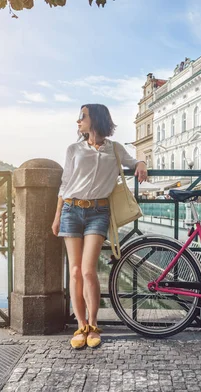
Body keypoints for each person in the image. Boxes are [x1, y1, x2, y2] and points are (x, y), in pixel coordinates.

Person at [52, 104, 148, 349]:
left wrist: (141, 163)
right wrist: (57, 215)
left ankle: (94, 324)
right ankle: (81, 325)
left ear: (95, 119)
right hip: (71, 210)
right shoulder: (74, 148)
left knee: (87, 270)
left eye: (82, 117)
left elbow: (133, 160)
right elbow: (65, 183)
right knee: (74, 272)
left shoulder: (115, 149)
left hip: (98, 211)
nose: (78, 121)